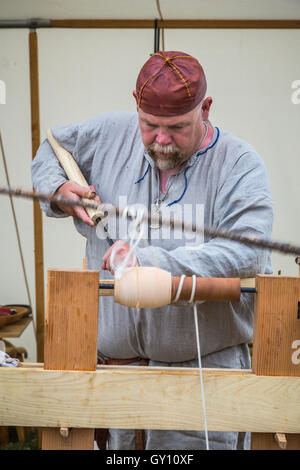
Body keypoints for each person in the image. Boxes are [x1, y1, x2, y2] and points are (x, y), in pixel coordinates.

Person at [31, 51, 273, 450]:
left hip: (201, 383)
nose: (161, 140)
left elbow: (245, 249)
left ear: (205, 109)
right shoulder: (108, 133)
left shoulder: (240, 165)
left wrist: (150, 263)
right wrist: (58, 192)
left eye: (177, 127)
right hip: (113, 377)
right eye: (149, 126)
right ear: (136, 107)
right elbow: (52, 148)